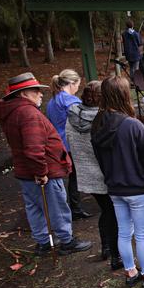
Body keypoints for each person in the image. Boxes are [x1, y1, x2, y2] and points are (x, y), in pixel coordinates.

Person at [0, 72, 92, 256]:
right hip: (42, 172)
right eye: (35, 91)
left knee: (34, 207)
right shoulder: (28, 114)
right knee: (56, 206)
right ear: (23, 94)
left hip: (25, 171)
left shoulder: (12, 111)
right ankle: (66, 241)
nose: (41, 94)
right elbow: (33, 149)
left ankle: (43, 242)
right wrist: (41, 172)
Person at [91, 76, 144, 288]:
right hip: (137, 187)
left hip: (114, 187)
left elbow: (98, 157)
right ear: (124, 95)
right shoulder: (133, 125)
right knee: (142, 234)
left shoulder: (97, 124)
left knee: (124, 232)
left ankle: (130, 271)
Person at [65, 81, 121, 269]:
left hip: (85, 172)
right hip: (104, 173)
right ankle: (115, 254)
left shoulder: (72, 114)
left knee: (106, 211)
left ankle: (107, 246)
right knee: (112, 213)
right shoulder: (103, 119)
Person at [46, 69, 92, 220]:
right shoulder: (72, 101)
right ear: (72, 83)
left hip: (58, 143)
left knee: (70, 176)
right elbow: (82, 123)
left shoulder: (52, 101)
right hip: (72, 143)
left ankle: (72, 207)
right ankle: (75, 208)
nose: (78, 88)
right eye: (78, 84)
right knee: (75, 177)